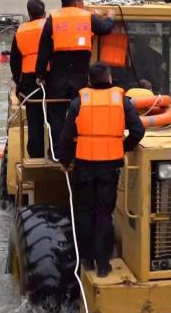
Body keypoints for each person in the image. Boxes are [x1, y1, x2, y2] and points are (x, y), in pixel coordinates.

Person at [58, 63, 145, 277]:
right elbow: (138, 130)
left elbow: (66, 135)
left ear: (89, 81)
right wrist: (123, 146)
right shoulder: (122, 102)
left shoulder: (79, 102)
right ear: (110, 78)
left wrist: (64, 160)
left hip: (84, 165)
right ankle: (104, 264)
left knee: (85, 212)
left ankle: (86, 260)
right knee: (104, 214)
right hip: (109, 166)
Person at [35, 0, 116, 159]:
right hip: (80, 77)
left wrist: (40, 75)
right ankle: (77, 150)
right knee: (80, 114)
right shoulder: (87, 17)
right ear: (77, 1)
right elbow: (104, 29)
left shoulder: (53, 19)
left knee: (56, 116)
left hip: (57, 77)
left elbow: (43, 52)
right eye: (82, 0)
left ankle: (56, 153)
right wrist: (110, 17)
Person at [9, 0, 48, 158]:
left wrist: (18, 83)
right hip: (51, 80)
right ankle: (56, 152)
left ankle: (36, 155)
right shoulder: (50, 26)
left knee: (34, 120)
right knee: (56, 117)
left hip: (30, 84)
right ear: (44, 12)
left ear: (29, 14)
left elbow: (14, 62)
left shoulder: (21, 31)